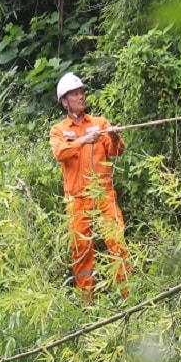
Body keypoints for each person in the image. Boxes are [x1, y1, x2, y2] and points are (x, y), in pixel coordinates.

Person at [49, 73, 130, 297]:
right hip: (77, 200)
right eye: (75, 94)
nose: (81, 97)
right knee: (81, 252)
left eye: (82, 92)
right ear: (64, 101)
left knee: (117, 243)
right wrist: (84, 140)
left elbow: (117, 151)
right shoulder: (58, 130)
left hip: (104, 195)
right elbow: (60, 153)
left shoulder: (100, 123)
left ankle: (128, 297)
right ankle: (87, 305)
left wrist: (114, 137)